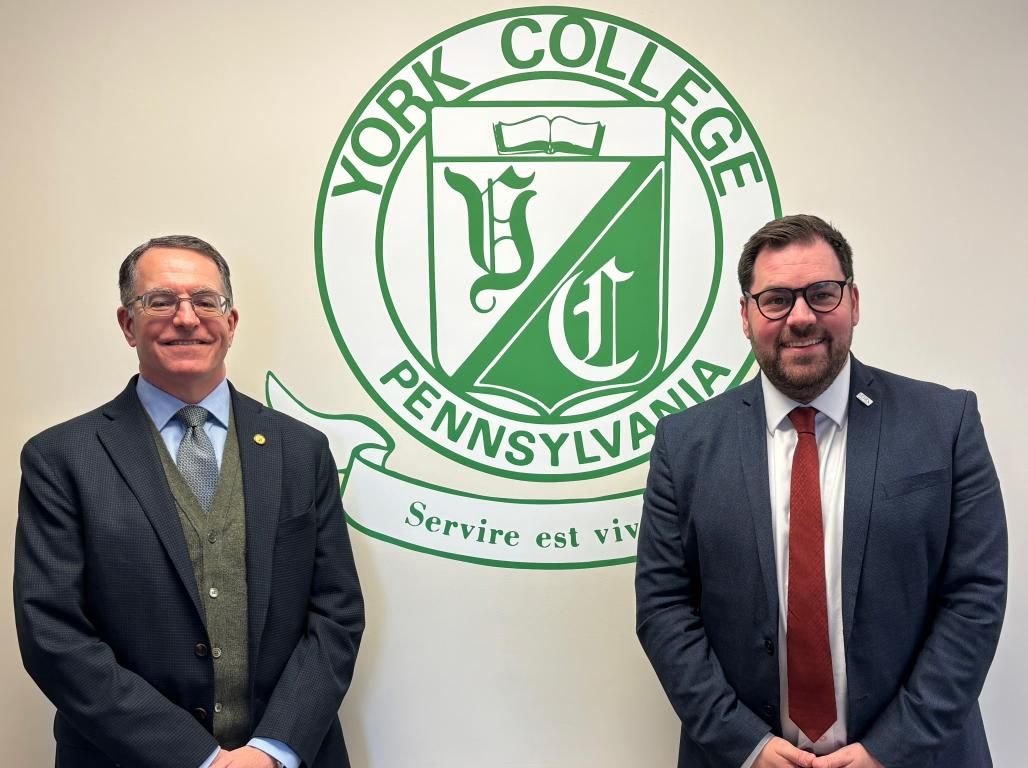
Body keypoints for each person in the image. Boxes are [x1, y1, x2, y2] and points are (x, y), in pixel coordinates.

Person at [635, 215, 1006, 768]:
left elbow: (975, 595)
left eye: (822, 294)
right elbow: (664, 608)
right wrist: (748, 745)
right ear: (745, 315)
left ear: (853, 302)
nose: (801, 317)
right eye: (777, 299)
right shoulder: (684, 444)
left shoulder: (945, 424)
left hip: (920, 756)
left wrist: (891, 748)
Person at [15, 235, 364, 768]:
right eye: (160, 301)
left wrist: (272, 750)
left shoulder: (302, 450)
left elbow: (336, 613)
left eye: (205, 301)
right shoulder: (60, 458)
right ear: (127, 324)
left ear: (231, 322)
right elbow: (52, 633)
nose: (186, 318)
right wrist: (199, 758)